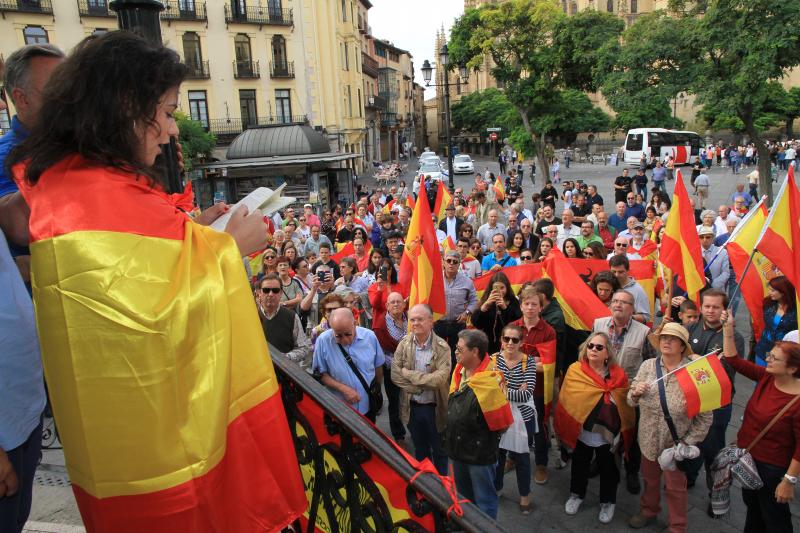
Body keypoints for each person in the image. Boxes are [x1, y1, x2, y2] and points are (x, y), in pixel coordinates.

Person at [9, 32, 306, 529]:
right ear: (127, 109)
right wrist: (230, 247)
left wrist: (196, 233)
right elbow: (149, 313)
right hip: (154, 454)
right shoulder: (101, 193)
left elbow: (137, 271)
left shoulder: (72, 180)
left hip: (111, 442)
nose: (170, 130)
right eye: (167, 112)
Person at [627, 323, 712, 532]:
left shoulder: (695, 373)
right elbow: (630, 399)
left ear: (682, 346)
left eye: (673, 339)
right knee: (650, 480)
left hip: (675, 443)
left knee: (676, 488)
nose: (666, 341)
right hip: (648, 438)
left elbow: (705, 417)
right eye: (664, 337)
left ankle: (677, 526)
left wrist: (687, 442)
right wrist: (635, 393)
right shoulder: (648, 366)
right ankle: (649, 510)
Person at [720, 315, 800, 533]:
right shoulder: (767, 377)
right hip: (748, 458)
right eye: (769, 355)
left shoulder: (797, 402)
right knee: (753, 508)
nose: (767, 359)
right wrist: (728, 327)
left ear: (792, 369)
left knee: (775, 517)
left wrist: (788, 481)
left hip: (772, 469)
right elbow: (733, 359)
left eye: (774, 358)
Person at [556, 332, 635, 524]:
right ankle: (576, 495)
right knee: (579, 464)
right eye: (590, 346)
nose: (593, 350)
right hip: (582, 431)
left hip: (607, 434)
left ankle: (608, 502)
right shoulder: (575, 370)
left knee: (609, 468)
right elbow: (568, 399)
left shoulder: (619, 375)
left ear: (607, 353)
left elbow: (625, 404)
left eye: (599, 347)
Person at [682, 289, 744, 493]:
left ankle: (716, 492)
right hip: (690, 396)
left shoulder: (734, 337)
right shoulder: (690, 328)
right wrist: (705, 361)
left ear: (725, 310)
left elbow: (725, 370)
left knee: (713, 449)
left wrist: (692, 358)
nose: (710, 311)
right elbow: (677, 356)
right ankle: (689, 476)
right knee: (689, 441)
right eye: (707, 306)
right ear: (700, 307)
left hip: (717, 402)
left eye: (716, 307)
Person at [593, 289, 654, 494]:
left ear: (633, 308)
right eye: (615, 301)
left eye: (624, 302)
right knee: (601, 428)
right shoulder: (598, 324)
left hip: (628, 392)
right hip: (601, 389)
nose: (618, 305)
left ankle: (631, 470)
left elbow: (650, 364)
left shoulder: (644, 332)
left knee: (630, 433)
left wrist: (640, 388)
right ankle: (600, 462)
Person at [445, 329, 509, 520]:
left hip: (479, 454)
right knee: (463, 498)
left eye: (460, 349)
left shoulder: (491, 379)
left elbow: (502, 424)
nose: (455, 352)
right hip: (457, 448)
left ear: (475, 351)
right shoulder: (459, 371)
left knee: (484, 501)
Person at [392, 304, 451, 475]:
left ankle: (442, 485)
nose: (415, 323)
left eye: (420, 319)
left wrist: (409, 374)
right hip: (412, 408)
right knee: (420, 450)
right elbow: (395, 375)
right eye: (412, 320)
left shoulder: (442, 347)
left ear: (431, 321)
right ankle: (425, 485)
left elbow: (439, 380)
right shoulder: (404, 344)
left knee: (440, 451)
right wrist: (417, 389)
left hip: (435, 409)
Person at [511, 287, 557, 485]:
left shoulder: (548, 331)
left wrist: (520, 360)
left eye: (534, 304)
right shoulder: (513, 327)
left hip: (537, 389)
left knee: (539, 426)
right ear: (521, 306)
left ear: (541, 307)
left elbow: (547, 364)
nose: (530, 307)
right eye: (526, 304)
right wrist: (532, 361)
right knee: (514, 422)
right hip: (514, 386)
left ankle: (541, 464)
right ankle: (513, 457)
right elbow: (506, 356)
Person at [493, 324, 537, 515]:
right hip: (499, 413)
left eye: (515, 339)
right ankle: (496, 487)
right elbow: (489, 389)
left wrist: (503, 389)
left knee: (522, 457)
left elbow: (527, 393)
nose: (510, 343)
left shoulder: (529, 362)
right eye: (506, 339)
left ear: (522, 342)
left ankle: (524, 495)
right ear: (501, 340)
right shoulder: (493, 359)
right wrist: (514, 390)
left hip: (523, 416)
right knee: (498, 454)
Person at [312, 308, 385, 421]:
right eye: (338, 336)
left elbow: (378, 367)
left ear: (355, 323)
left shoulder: (370, 337)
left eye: (348, 334)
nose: (344, 340)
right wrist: (343, 389)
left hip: (367, 406)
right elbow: (320, 374)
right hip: (339, 409)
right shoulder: (323, 341)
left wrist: (376, 388)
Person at [256, 274, 312, 370]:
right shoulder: (251, 317)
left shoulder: (292, 316)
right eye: (266, 290)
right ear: (259, 293)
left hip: (285, 372)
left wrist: (285, 357)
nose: (270, 294)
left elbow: (304, 347)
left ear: (281, 293)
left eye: (275, 290)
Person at [437, 251, 478, 362]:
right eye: (449, 261)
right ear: (443, 262)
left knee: (457, 356)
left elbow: (474, 300)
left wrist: (467, 313)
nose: (451, 264)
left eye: (455, 262)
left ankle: (454, 373)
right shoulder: (435, 279)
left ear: (459, 264)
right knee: (437, 355)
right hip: (438, 323)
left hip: (458, 324)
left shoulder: (467, 281)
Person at [472, 272, 522, 354]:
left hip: (508, 342)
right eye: (496, 288)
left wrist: (505, 308)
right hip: (488, 343)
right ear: (491, 288)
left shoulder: (513, 301)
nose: (500, 291)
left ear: (507, 287)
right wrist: (484, 307)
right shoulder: (485, 300)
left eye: (502, 288)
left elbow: (517, 321)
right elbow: (476, 324)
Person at [754, 276, 798, 366]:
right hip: (763, 350)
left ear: (783, 292)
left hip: (783, 355)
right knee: (761, 374)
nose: (770, 293)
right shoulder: (768, 304)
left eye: (773, 290)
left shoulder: (796, 310)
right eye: (770, 290)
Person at [608, 255, 650, 323]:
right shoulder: (607, 285)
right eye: (613, 272)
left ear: (628, 271)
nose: (616, 275)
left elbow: (645, 317)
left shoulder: (637, 290)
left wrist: (626, 317)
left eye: (620, 272)